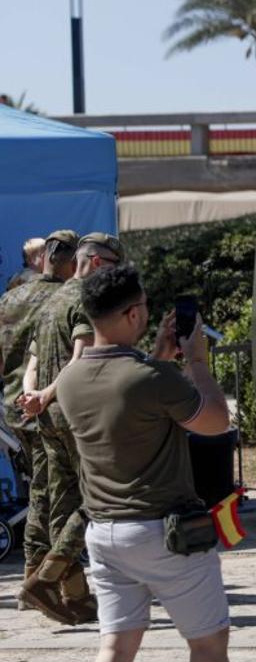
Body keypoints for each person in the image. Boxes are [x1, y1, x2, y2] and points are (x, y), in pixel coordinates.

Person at [55, 265, 256, 662]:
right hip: (166, 535)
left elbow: (123, 396)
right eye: (144, 306)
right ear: (131, 313)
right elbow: (214, 422)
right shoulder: (152, 378)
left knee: (115, 650)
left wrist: (158, 359)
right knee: (208, 646)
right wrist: (197, 364)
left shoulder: (70, 380)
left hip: (104, 533)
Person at [18, 232, 125, 625]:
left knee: (61, 503)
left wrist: (34, 396)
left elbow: (32, 360)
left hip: (46, 418)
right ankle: (45, 581)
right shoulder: (85, 299)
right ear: (97, 263)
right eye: (114, 267)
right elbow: (79, 361)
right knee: (97, 499)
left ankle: (75, 597)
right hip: (77, 414)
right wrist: (47, 395)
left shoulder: (52, 300)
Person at [0, 230, 77, 611]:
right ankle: (40, 580)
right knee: (50, 494)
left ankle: (48, 579)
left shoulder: (10, 298)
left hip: (16, 407)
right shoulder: (63, 299)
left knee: (41, 490)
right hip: (49, 408)